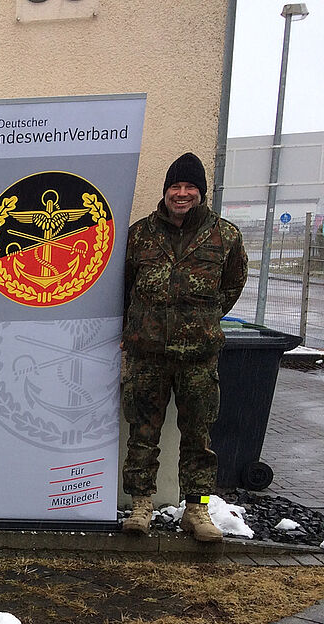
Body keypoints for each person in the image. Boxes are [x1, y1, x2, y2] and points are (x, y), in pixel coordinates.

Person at [120, 153, 247, 542]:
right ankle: (140, 505)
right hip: (147, 355)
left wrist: (202, 321)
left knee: (199, 437)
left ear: (201, 193)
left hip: (198, 358)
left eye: (190, 187)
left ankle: (197, 508)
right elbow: (124, 287)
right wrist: (142, 326)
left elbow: (232, 285)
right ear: (165, 191)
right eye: (175, 186)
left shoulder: (225, 236)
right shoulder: (140, 234)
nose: (182, 193)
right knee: (142, 433)